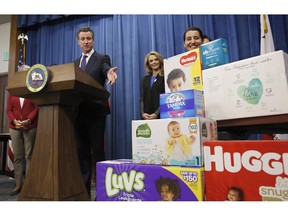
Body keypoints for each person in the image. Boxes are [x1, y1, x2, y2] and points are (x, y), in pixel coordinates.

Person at [73, 27, 118, 196]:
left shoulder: (101, 58)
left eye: (89, 38)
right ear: (78, 42)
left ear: (93, 40)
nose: (86, 41)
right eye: (83, 39)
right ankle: (84, 192)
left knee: (98, 152)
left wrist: (109, 73)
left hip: (95, 112)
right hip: (77, 113)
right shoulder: (74, 63)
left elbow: (106, 68)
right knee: (81, 153)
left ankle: (101, 193)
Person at [6, 65, 39, 196]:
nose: (26, 74)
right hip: (14, 127)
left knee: (29, 156)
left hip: (29, 126)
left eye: (28, 73)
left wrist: (28, 120)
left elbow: (37, 107)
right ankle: (18, 184)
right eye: (24, 73)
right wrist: (14, 121)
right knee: (18, 157)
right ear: (19, 74)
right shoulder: (12, 89)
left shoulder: (34, 88)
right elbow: (9, 109)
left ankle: (30, 184)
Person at [140, 51, 165, 120]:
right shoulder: (145, 79)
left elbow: (167, 98)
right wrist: (143, 113)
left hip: (161, 115)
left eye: (156, 59)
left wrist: (157, 114)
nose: (154, 62)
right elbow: (142, 99)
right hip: (147, 117)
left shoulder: (166, 77)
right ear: (148, 64)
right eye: (151, 61)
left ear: (160, 61)